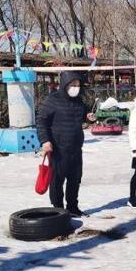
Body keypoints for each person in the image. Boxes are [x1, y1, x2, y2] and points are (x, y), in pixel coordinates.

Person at [36, 71, 96, 216]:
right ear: (65, 85)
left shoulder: (79, 101)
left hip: (75, 147)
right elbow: (41, 121)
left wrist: (88, 117)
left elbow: (82, 116)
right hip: (58, 148)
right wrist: (45, 141)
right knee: (57, 181)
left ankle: (72, 207)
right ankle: (58, 208)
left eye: (78, 85)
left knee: (75, 179)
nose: (76, 87)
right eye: (73, 85)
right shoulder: (53, 99)